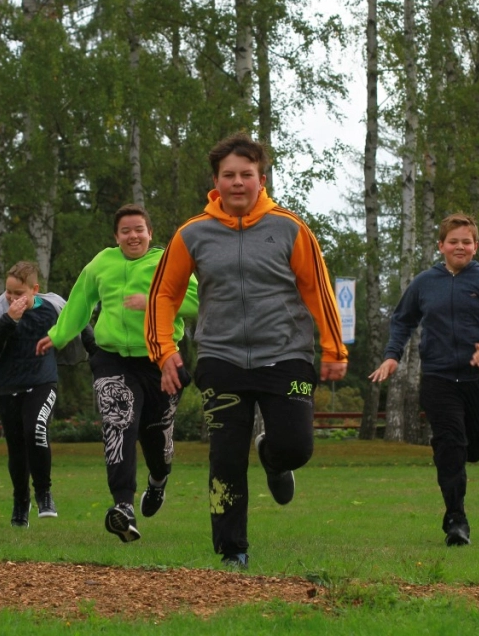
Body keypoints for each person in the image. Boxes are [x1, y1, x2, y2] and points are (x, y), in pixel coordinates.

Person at [145, 132, 348, 568]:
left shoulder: (290, 228)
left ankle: (274, 459)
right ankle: (232, 550)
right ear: (216, 182)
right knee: (225, 457)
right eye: (229, 175)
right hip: (221, 359)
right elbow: (164, 294)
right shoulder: (192, 234)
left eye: (247, 174)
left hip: (287, 355)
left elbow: (318, 290)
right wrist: (164, 350)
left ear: (261, 179)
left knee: (296, 447)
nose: (238, 182)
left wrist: (334, 349)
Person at [36, 204, 198, 543]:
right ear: (116, 236)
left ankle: (158, 480)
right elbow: (80, 302)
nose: (133, 236)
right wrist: (58, 336)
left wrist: (153, 300)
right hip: (113, 360)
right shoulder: (102, 263)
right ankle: (123, 506)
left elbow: (196, 302)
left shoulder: (167, 262)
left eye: (139, 229)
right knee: (119, 424)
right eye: (125, 231)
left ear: (150, 233)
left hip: (159, 361)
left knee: (157, 439)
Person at [369, 213, 479, 546]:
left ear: (476, 246)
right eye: (453, 241)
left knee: (474, 448)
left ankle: (453, 453)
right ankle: (456, 520)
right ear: (441, 246)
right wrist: (393, 355)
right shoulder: (425, 283)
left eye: (466, 241)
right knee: (451, 444)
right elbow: (402, 320)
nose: (460, 247)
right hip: (438, 377)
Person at [0, 261, 64, 527]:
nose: (12, 298)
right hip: (9, 387)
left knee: (36, 429)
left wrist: (97, 354)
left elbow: (80, 326)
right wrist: (9, 320)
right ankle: (20, 501)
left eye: (19, 293)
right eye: (9, 292)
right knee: (16, 449)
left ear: (34, 290)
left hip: (42, 382)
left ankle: (44, 494)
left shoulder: (53, 307)